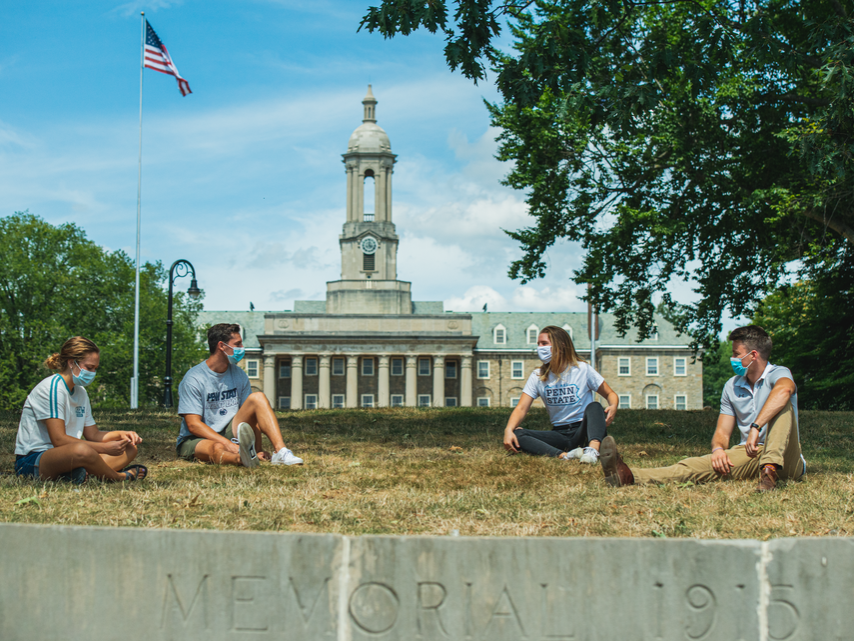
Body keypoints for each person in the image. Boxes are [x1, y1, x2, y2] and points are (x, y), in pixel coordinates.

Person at [600, 325, 806, 492]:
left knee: (782, 400)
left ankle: (769, 471)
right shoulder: (731, 386)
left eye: (736, 354)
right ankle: (629, 476)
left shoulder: (778, 373)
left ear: (753, 355)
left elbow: (785, 391)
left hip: (786, 458)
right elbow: (722, 433)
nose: (732, 359)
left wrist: (756, 427)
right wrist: (718, 450)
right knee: (698, 465)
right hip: (750, 454)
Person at [14, 336, 148, 483]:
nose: (93, 373)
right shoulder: (52, 388)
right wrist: (104, 449)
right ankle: (119, 476)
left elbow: (93, 434)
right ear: (72, 363)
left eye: (95, 368)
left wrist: (122, 434)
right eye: (89, 367)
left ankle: (77, 474)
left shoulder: (81, 391)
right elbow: (59, 439)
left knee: (130, 448)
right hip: (34, 460)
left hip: (71, 455)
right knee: (82, 450)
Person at [176, 323, 303, 467]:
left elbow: (252, 417)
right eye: (237, 344)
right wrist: (228, 444)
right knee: (216, 448)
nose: (242, 348)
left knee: (258, 398)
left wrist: (258, 449)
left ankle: (281, 452)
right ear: (222, 346)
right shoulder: (194, 378)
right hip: (196, 439)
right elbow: (193, 425)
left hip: (230, 431)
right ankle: (242, 460)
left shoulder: (238, 374)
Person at [503, 325, 619, 464]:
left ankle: (592, 450)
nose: (540, 348)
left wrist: (613, 405)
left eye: (544, 343)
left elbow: (610, 393)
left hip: (584, 430)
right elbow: (521, 408)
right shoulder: (538, 376)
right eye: (538, 344)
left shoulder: (582, 369)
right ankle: (565, 455)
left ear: (561, 346)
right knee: (518, 434)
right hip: (559, 434)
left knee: (594, 406)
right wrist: (508, 430)